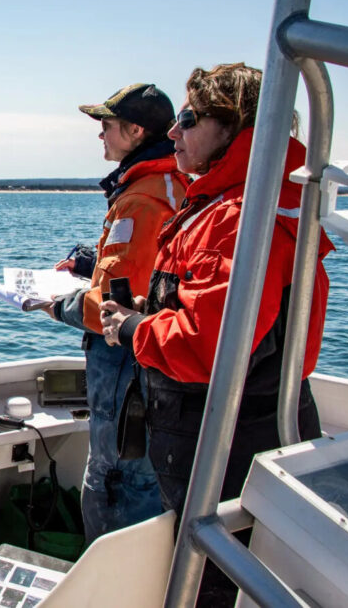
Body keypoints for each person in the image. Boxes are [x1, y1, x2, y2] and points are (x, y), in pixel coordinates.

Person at [100, 63, 331, 606]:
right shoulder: (240, 201)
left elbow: (207, 348)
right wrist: (152, 308)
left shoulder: (236, 215)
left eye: (189, 119)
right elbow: (217, 313)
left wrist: (132, 326)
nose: (174, 133)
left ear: (236, 127)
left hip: (222, 442)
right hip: (247, 428)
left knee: (212, 584)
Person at [48, 83, 188, 544]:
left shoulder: (142, 198)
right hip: (159, 379)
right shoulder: (177, 185)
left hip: (127, 374)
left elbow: (112, 308)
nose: (100, 135)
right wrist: (93, 264)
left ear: (134, 131)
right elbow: (149, 273)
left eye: (106, 126)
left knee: (113, 486)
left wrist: (53, 304)